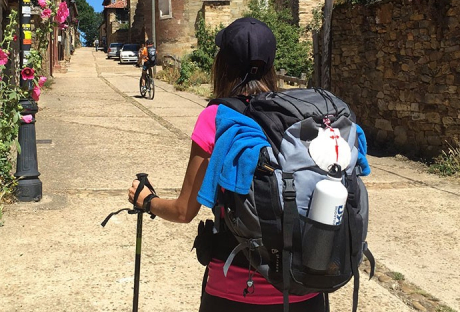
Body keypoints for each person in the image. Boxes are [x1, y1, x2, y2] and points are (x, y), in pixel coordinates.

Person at [128, 18, 326, 312]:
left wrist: (148, 201)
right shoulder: (300, 117)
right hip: (305, 288)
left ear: (222, 65)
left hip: (235, 291)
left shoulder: (217, 118)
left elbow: (184, 212)